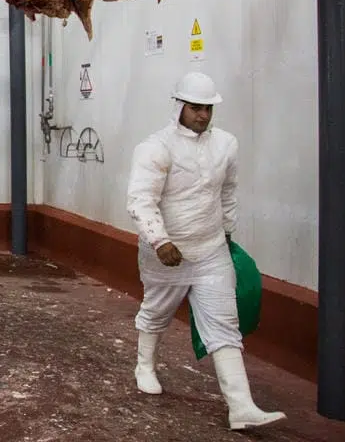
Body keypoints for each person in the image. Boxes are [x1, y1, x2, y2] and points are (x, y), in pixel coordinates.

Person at [126, 71, 286, 431]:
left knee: (224, 326)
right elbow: (140, 200)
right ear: (179, 106)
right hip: (166, 253)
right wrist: (160, 240)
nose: (202, 115)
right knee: (157, 311)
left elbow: (227, 193)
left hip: (212, 250)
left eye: (208, 109)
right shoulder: (156, 147)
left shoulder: (226, 145)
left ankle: (241, 406)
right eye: (196, 108)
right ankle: (145, 365)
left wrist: (227, 234)